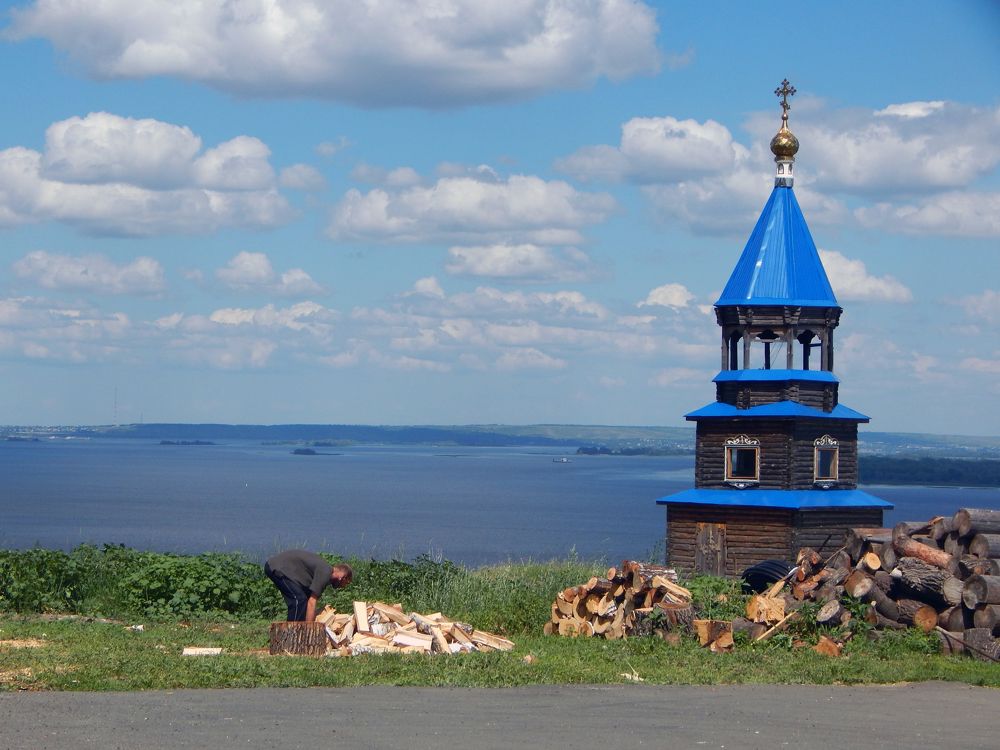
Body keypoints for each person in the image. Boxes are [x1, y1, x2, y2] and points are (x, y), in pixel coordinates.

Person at [264, 549, 352, 622]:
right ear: (343, 577)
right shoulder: (325, 573)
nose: (343, 587)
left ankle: (297, 633)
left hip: (285, 569)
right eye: (346, 583)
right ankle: (292, 635)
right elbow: (312, 602)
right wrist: (310, 628)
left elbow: (308, 601)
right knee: (298, 600)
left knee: (303, 600)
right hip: (277, 567)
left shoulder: (325, 571)